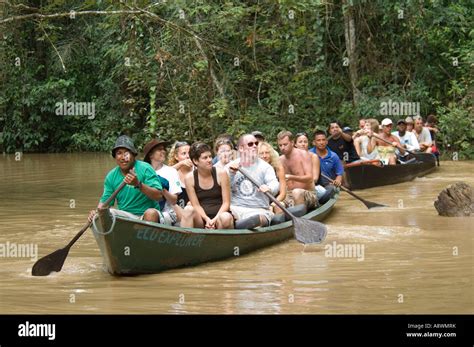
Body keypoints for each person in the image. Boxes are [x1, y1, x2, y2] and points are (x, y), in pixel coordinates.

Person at [88, 135, 163, 223]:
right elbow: (104, 204)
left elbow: (159, 196)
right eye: (119, 153)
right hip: (126, 217)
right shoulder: (111, 176)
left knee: (151, 213)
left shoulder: (145, 168)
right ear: (115, 157)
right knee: (104, 214)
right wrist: (96, 213)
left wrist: (138, 184)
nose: (123, 157)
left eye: (126, 153)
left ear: (133, 155)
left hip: (146, 215)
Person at [227, 134, 279, 228]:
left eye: (256, 143)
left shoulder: (266, 167)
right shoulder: (230, 166)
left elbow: (274, 184)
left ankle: (237, 227)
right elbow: (222, 188)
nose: (255, 146)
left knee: (258, 219)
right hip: (236, 208)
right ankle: (234, 226)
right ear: (241, 148)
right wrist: (231, 174)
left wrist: (269, 188)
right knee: (224, 218)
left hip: (258, 209)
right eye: (250, 144)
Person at [184, 142, 234, 229]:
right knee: (188, 210)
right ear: (195, 161)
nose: (209, 160)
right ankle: (186, 241)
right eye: (205, 158)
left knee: (226, 217)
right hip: (201, 217)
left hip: (219, 216)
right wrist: (207, 219)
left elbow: (226, 203)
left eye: (210, 156)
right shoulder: (189, 178)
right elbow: (195, 205)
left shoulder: (221, 173)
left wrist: (214, 220)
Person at [143, 139, 182, 225]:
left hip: (166, 213)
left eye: (164, 149)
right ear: (150, 155)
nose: (163, 151)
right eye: (159, 149)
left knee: (151, 214)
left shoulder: (171, 171)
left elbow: (174, 200)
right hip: (143, 209)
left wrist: (162, 190)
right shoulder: (142, 171)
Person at [278, 131, 318, 210]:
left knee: (297, 192)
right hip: (289, 195)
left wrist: (291, 177)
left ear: (292, 143)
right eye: (280, 145)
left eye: (285, 144)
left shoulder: (303, 154)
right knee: (277, 205)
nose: (282, 147)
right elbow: (282, 186)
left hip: (308, 193)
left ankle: (302, 219)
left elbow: (310, 178)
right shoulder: (280, 160)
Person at [294, 132, 326, 200]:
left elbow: (315, 179)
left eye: (305, 142)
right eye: (300, 142)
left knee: (322, 191)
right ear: (295, 144)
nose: (303, 144)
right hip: (296, 188)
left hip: (313, 187)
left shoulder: (313, 157)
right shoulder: (291, 158)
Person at [258, 141, 286, 213]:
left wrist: (272, 205)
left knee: (278, 206)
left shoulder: (278, 167)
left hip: (278, 198)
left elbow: (283, 193)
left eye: (267, 153)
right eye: (261, 153)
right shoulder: (254, 169)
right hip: (261, 201)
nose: (264, 156)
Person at [168, 141, 192, 207]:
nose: (188, 156)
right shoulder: (173, 173)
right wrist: (181, 164)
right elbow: (164, 174)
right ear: (176, 156)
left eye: (190, 153)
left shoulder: (198, 170)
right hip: (177, 210)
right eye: (184, 153)